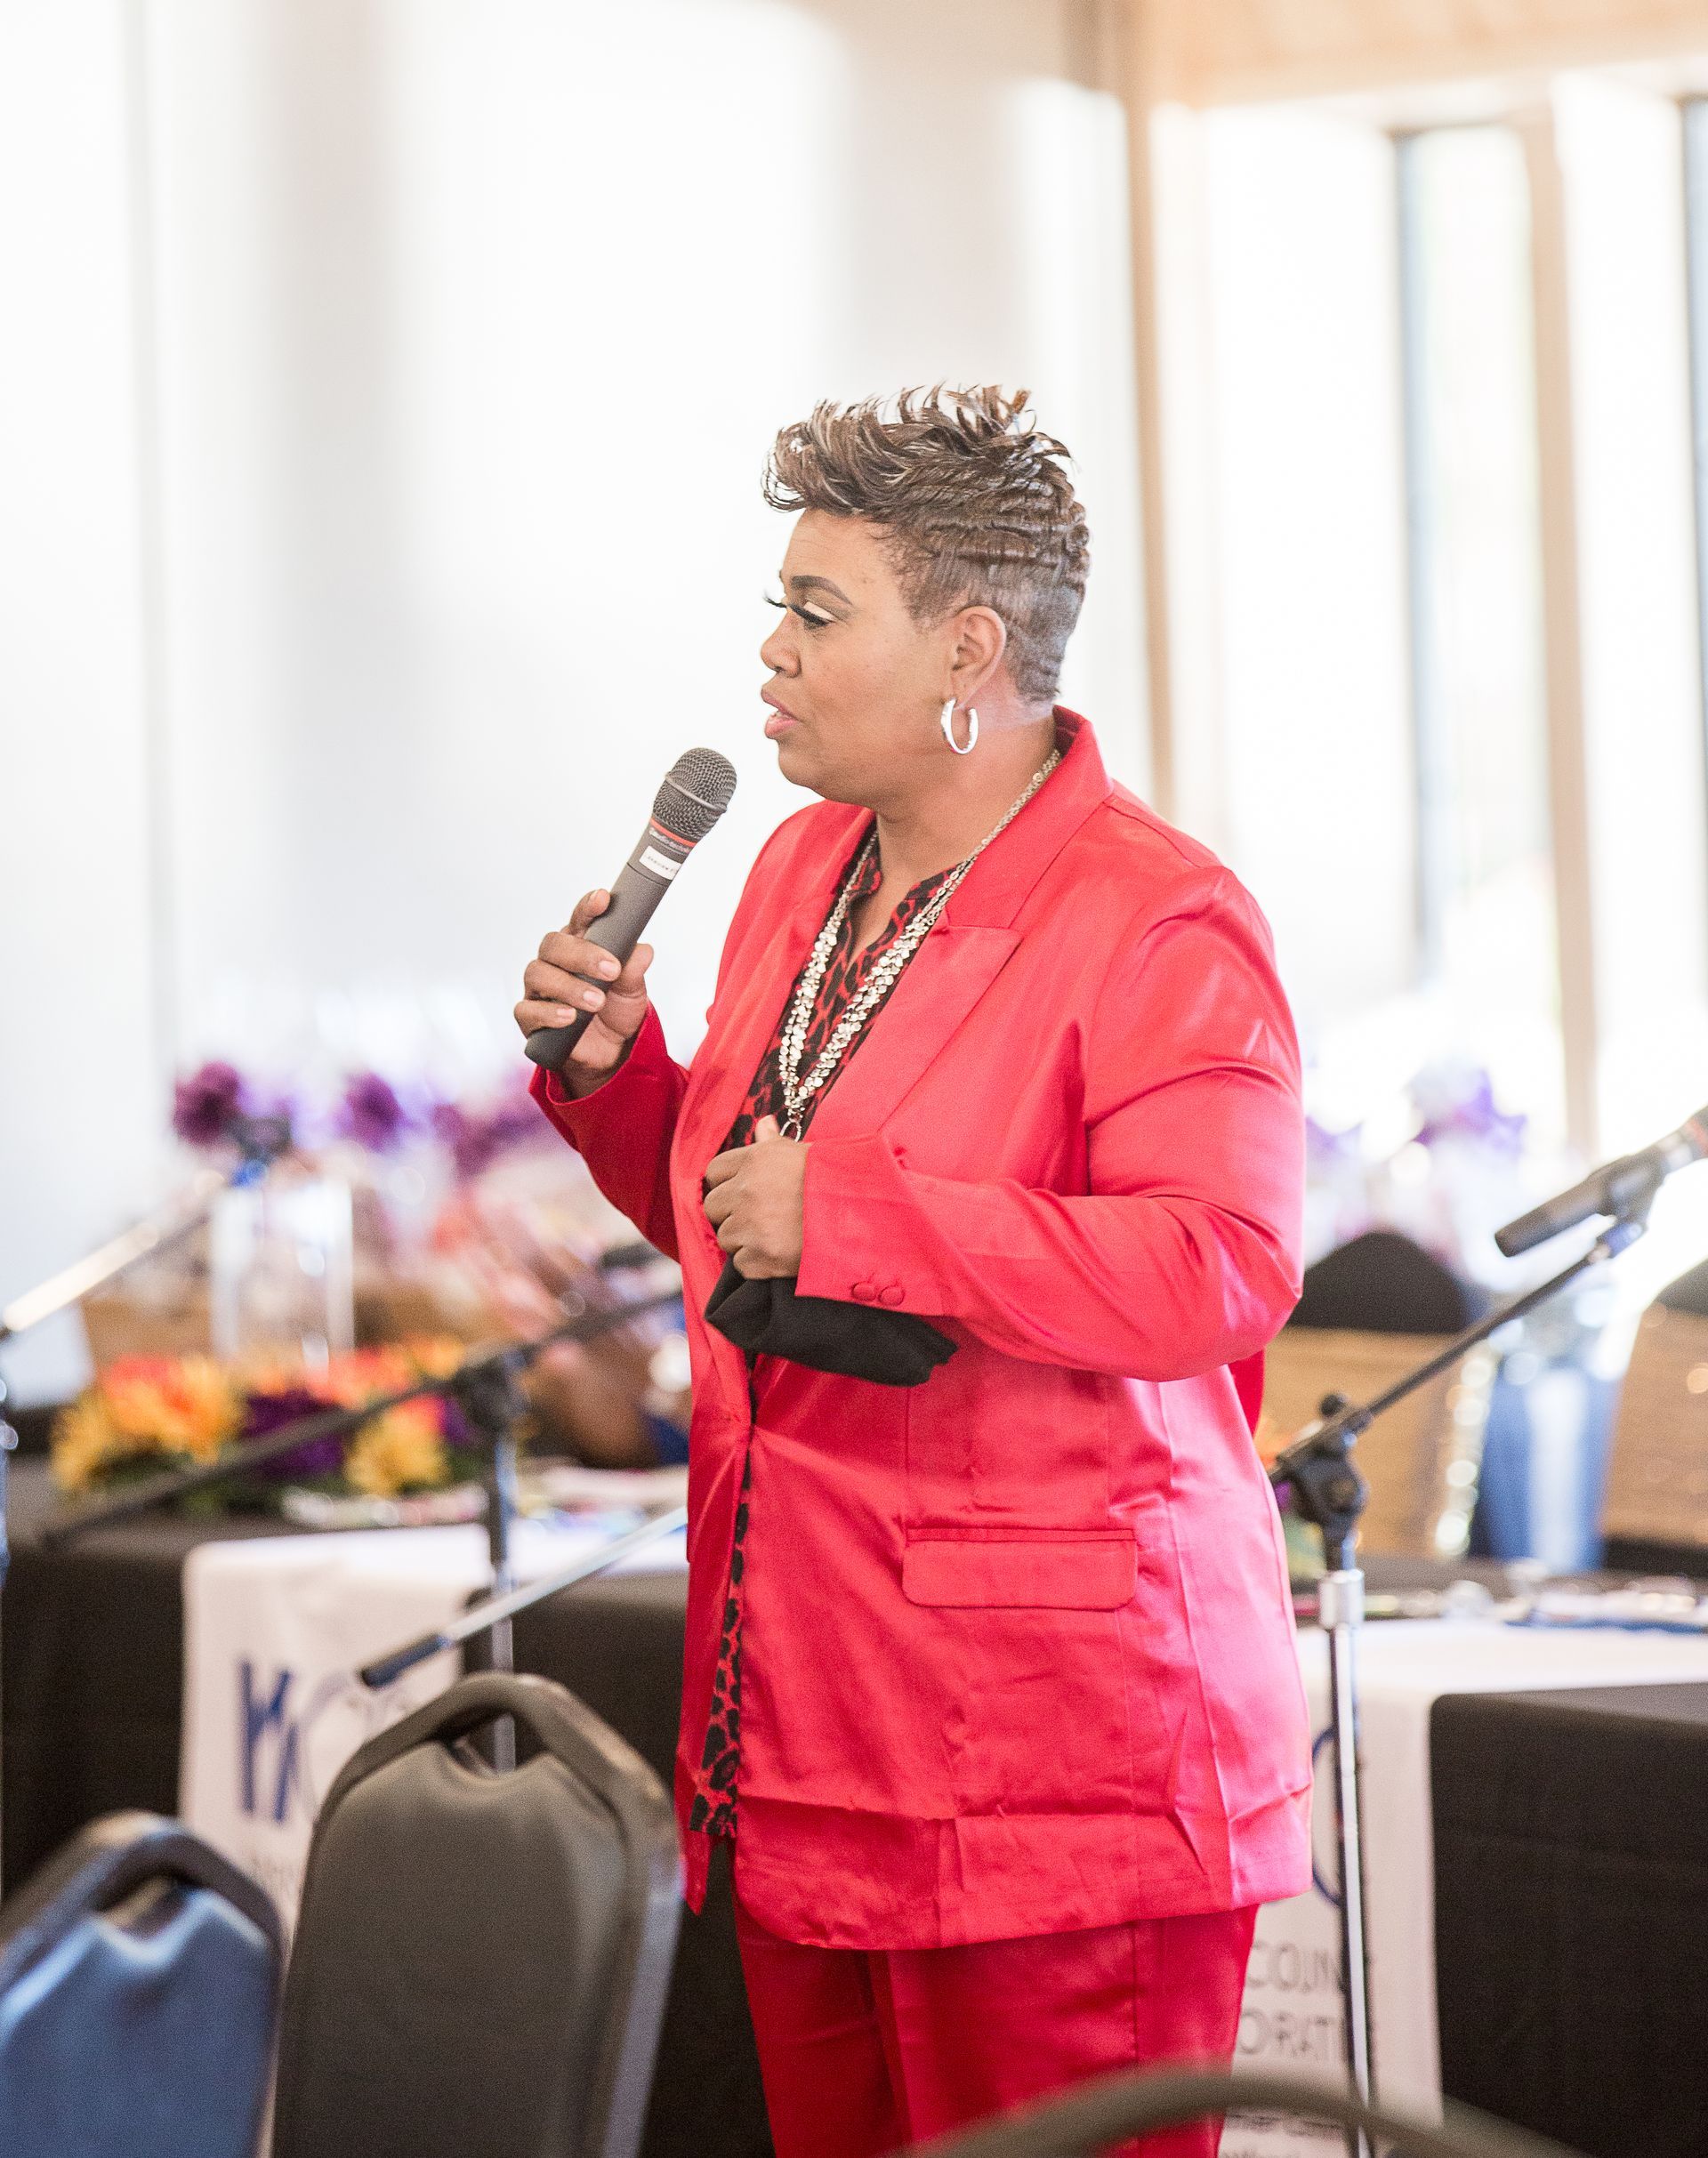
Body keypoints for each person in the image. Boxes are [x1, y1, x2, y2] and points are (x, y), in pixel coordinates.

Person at [518, 386, 1309, 2157]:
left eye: (816, 611)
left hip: (1059, 1763)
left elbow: (1224, 1265)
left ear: (968, 647)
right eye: (777, 606)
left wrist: (859, 1214)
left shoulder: (1157, 914)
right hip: (809, 1712)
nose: (769, 652)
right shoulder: (805, 869)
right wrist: (612, 1079)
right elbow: (751, 1229)